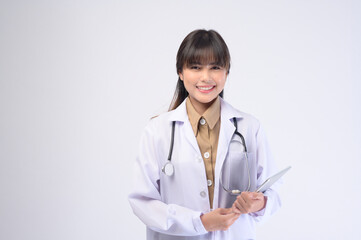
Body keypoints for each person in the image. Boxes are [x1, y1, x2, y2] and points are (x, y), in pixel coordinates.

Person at [128, 29, 281, 240]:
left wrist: (260, 203)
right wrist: (199, 222)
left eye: (215, 67)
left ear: (226, 72)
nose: (205, 77)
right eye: (195, 67)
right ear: (180, 72)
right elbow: (142, 202)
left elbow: (273, 192)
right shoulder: (157, 131)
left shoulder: (249, 128)